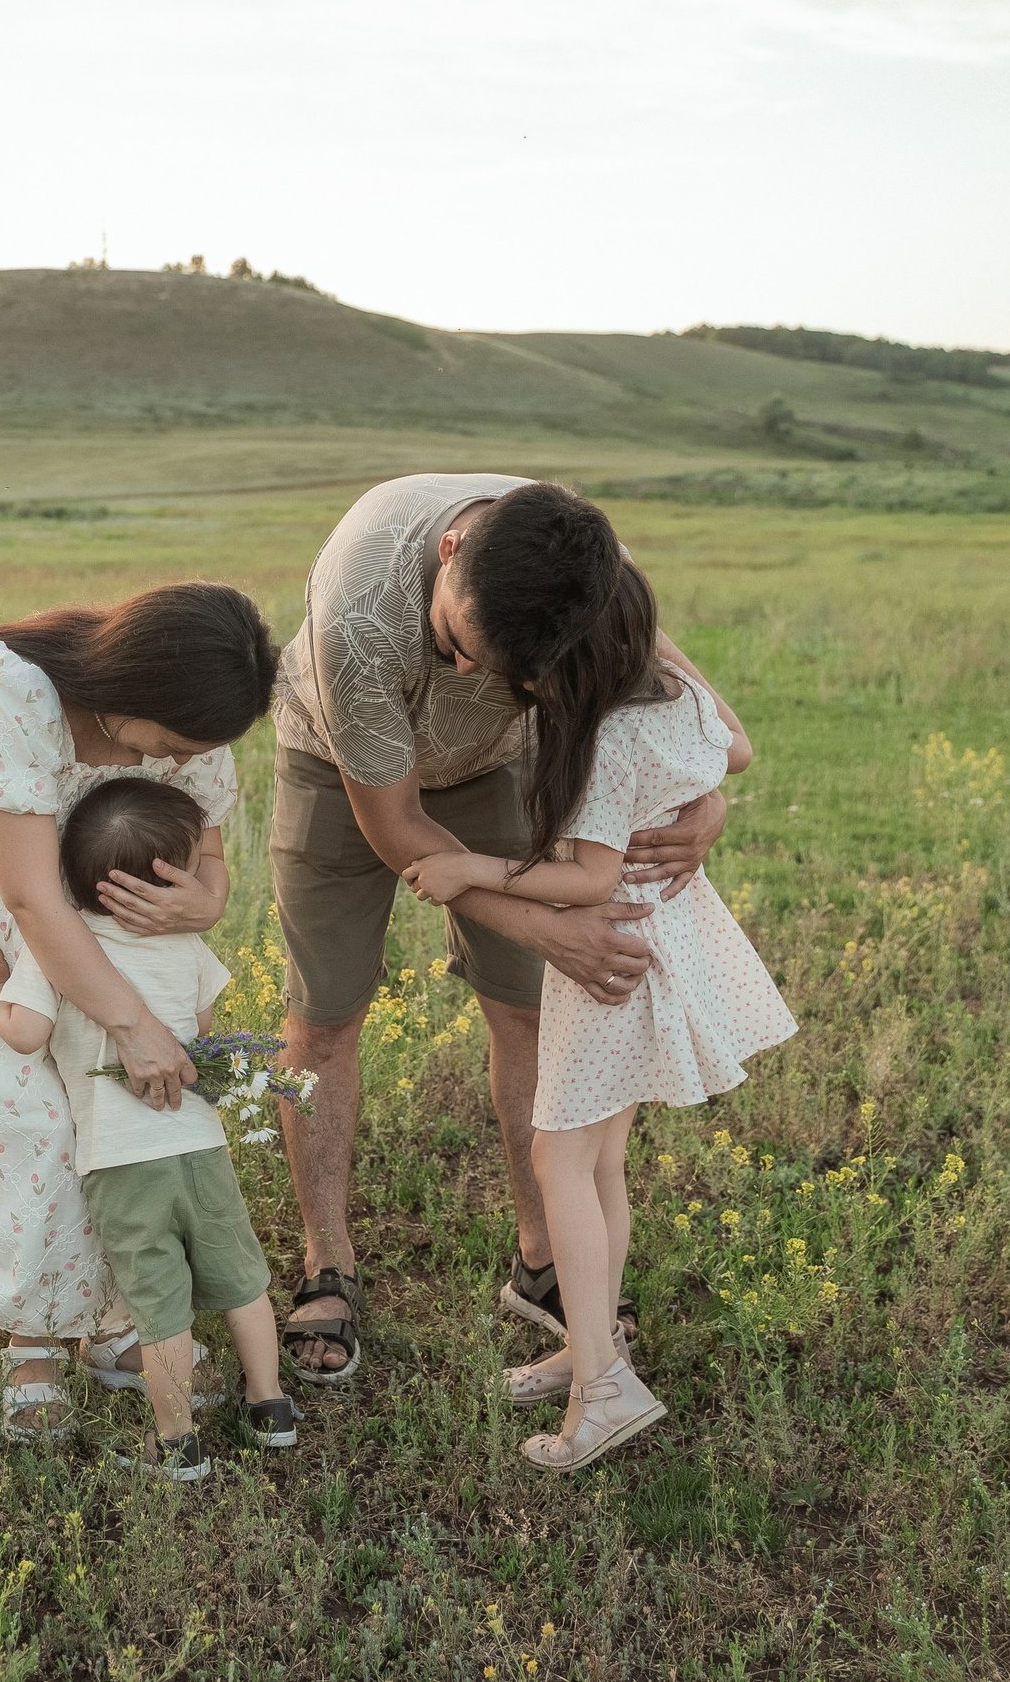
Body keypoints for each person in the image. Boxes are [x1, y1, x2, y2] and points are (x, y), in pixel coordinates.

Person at [266, 477, 730, 1380]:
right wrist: (546, 923)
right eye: (457, 644)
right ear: (450, 554)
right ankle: (329, 1265)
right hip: (338, 766)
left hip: (495, 768)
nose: (474, 675)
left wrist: (707, 800)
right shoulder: (361, 613)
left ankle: (543, 1259)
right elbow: (398, 832)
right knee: (323, 1018)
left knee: (528, 1011)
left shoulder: (593, 575)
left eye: (510, 667)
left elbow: (692, 712)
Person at [0, 583, 278, 1444]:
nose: (185, 761)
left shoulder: (184, 733)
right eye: (180, 743)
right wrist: (137, 1024)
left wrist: (206, 904)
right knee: (19, 1114)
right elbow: (31, 898)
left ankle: (108, 1312)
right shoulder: (11, 688)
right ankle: (28, 1338)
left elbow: (209, 843)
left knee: (101, 1119)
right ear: (137, 693)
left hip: (88, 917)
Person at [404, 530, 795, 1468]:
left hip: (610, 952)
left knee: (560, 1158)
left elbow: (584, 880)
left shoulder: (603, 744)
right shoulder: (678, 696)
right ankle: (595, 1345)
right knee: (601, 1156)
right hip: (667, 936)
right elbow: (736, 751)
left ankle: (603, 1393)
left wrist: (469, 867)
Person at [0, 776, 301, 1480]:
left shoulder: (59, 952)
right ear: (165, 874)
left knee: (159, 1306)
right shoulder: (183, 947)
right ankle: (270, 1406)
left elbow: (24, 1033)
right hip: (200, 1145)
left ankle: (176, 1444)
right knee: (241, 1280)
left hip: (122, 1163)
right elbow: (202, 1026)